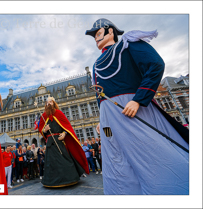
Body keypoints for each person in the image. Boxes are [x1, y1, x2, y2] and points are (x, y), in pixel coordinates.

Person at [85, 18, 189, 194]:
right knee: (116, 160)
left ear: (111, 32)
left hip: (130, 109)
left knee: (150, 154)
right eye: (93, 35)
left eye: (98, 33)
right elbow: (100, 94)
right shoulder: (96, 65)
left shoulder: (127, 44)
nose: (95, 37)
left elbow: (155, 65)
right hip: (109, 118)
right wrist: (102, 118)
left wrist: (139, 99)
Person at [38, 97, 89, 187]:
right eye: (47, 102)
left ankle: (69, 179)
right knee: (51, 163)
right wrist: (44, 130)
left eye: (50, 102)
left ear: (54, 103)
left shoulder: (59, 113)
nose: (48, 103)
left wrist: (64, 133)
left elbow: (67, 126)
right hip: (50, 143)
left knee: (65, 160)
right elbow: (42, 130)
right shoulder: (44, 116)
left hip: (60, 141)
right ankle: (51, 182)